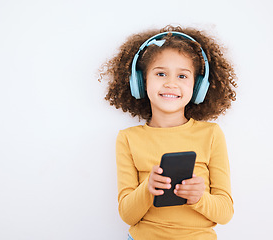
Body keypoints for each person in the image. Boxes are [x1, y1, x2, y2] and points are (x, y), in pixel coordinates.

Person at [98, 25, 237, 240]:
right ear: (141, 82)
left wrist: (199, 197)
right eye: (161, 73)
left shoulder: (211, 134)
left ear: (198, 86)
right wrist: (147, 189)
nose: (171, 83)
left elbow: (225, 212)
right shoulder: (128, 138)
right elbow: (127, 214)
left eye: (182, 76)